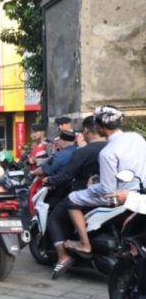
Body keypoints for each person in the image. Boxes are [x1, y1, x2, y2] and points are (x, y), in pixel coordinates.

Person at [54, 105, 146, 277]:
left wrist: (91, 186)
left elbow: (107, 188)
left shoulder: (108, 152)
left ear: (100, 127)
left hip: (118, 196)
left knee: (72, 199)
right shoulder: (136, 137)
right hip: (140, 190)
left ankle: (84, 243)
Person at [44, 116, 107, 274]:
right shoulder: (112, 148)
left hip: (84, 195)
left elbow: (66, 176)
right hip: (113, 194)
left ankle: (63, 256)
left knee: (54, 218)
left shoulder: (83, 152)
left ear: (86, 131)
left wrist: (49, 180)